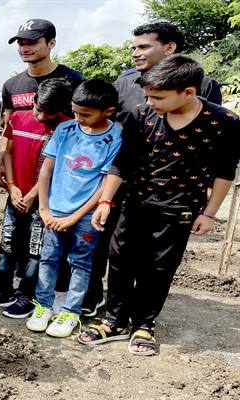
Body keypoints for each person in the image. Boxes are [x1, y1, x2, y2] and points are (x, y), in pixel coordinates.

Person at [78, 55, 240, 355]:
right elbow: (121, 162)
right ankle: (113, 321)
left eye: (158, 97)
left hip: (180, 211)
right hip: (134, 202)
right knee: (121, 260)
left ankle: (144, 325)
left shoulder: (224, 122)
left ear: (189, 92)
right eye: (148, 95)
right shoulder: (141, 114)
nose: (150, 102)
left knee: (159, 268)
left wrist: (209, 213)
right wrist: (105, 201)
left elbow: (225, 171)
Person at [26, 79, 122, 338]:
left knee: (80, 261)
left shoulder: (116, 137)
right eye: (75, 111)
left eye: (85, 114)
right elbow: (46, 169)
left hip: (86, 215)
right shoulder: (65, 129)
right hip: (54, 211)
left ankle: (71, 310)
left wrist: (75, 217)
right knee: (48, 258)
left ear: (108, 111)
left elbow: (105, 183)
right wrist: (44, 209)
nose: (78, 117)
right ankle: (43, 305)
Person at [0, 78, 72, 318]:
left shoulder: (67, 128)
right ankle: (2, 290)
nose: (41, 117)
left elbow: (55, 167)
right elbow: (8, 152)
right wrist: (13, 187)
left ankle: (28, 294)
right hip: (15, 195)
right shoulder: (17, 118)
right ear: (34, 100)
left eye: (49, 114)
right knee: (7, 244)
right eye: (39, 109)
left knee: (37, 250)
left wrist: (33, 194)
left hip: (44, 201)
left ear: (63, 109)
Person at [0, 19, 84, 188]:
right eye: (21, 44)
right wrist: (1, 159)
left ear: (52, 43)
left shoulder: (73, 80)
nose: (25, 49)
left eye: (33, 43)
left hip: (59, 172)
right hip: (21, 172)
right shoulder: (11, 85)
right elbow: (8, 127)